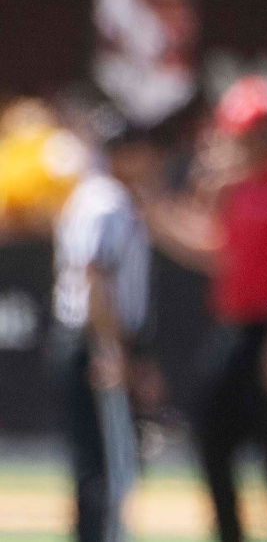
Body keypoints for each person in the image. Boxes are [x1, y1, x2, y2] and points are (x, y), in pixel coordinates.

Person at [148, 76, 267, 542]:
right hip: (236, 326)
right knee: (210, 431)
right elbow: (219, 250)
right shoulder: (240, 187)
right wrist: (160, 219)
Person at [51, 106, 163, 542]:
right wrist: (112, 350)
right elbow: (95, 278)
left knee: (98, 464)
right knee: (111, 467)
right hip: (94, 341)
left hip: (94, 339)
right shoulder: (107, 201)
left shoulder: (96, 195)